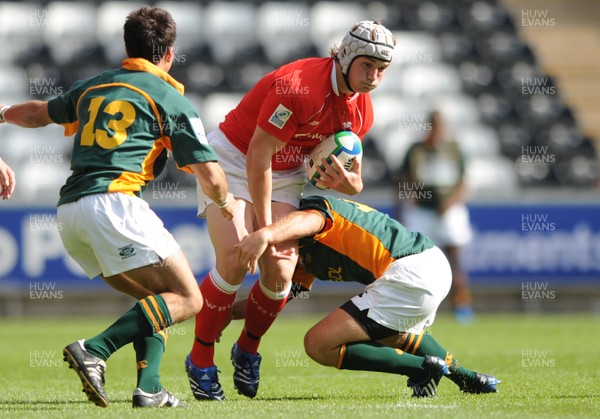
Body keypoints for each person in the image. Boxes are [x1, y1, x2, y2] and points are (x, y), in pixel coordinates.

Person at [0, 6, 234, 408]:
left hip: (70, 211)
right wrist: (227, 203)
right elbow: (209, 174)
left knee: (156, 299)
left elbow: (39, 114)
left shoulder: (95, 85)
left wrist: (1, 114)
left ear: (127, 47)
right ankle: (95, 349)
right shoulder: (168, 97)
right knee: (189, 299)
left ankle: (150, 389)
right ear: (170, 54)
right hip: (115, 204)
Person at [185, 20, 396, 401]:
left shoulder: (362, 113)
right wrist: (264, 230)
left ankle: (247, 349)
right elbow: (257, 155)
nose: (375, 77)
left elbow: (344, 178)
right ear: (345, 55)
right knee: (235, 258)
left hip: (286, 171)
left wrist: (352, 186)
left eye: (382, 69)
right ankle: (200, 358)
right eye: (368, 66)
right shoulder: (297, 86)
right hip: (235, 157)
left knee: (281, 273)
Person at [235, 195, 500, 397]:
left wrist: (265, 234)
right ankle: (468, 378)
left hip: (410, 270)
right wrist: (221, 310)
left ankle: (420, 369)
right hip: (430, 265)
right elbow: (270, 301)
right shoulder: (300, 258)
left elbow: (313, 219)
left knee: (318, 344)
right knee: (387, 332)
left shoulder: (308, 215)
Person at [398, 110, 475, 323]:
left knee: (455, 257)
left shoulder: (454, 149)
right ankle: (417, 307)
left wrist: (449, 204)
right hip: (422, 211)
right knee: (415, 259)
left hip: (449, 210)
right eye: (434, 125)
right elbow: (403, 179)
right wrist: (408, 201)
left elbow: (464, 182)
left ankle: (462, 306)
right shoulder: (416, 150)